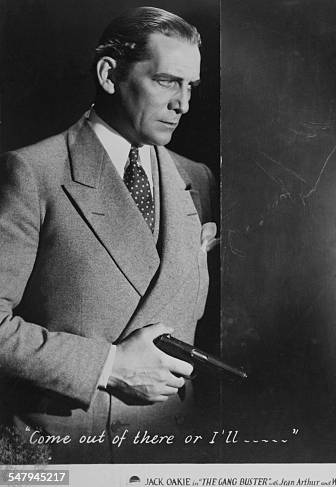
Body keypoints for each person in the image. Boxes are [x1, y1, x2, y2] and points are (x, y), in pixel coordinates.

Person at [0, 7, 216, 463]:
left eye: (190, 86)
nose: (184, 104)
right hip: (65, 455)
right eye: (166, 81)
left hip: (172, 451)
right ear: (108, 75)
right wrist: (109, 366)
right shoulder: (33, 173)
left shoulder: (197, 179)